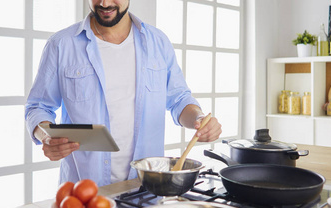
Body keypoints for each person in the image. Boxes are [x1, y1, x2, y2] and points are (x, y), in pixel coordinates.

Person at [25, 0, 222, 187]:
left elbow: (179, 100)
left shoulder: (158, 42)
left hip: (146, 189)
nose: (104, 3)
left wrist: (199, 119)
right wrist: (46, 137)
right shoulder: (61, 44)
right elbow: (38, 107)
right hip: (82, 191)